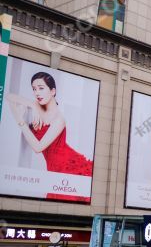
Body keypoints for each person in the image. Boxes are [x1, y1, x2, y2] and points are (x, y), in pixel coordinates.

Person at [7, 72, 93, 201]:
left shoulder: (59, 119)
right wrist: (32, 106)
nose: (37, 93)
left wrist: (21, 122)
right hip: (54, 170)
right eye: (34, 89)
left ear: (53, 91)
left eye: (41, 88)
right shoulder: (36, 106)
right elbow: (9, 96)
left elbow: (38, 147)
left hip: (67, 167)